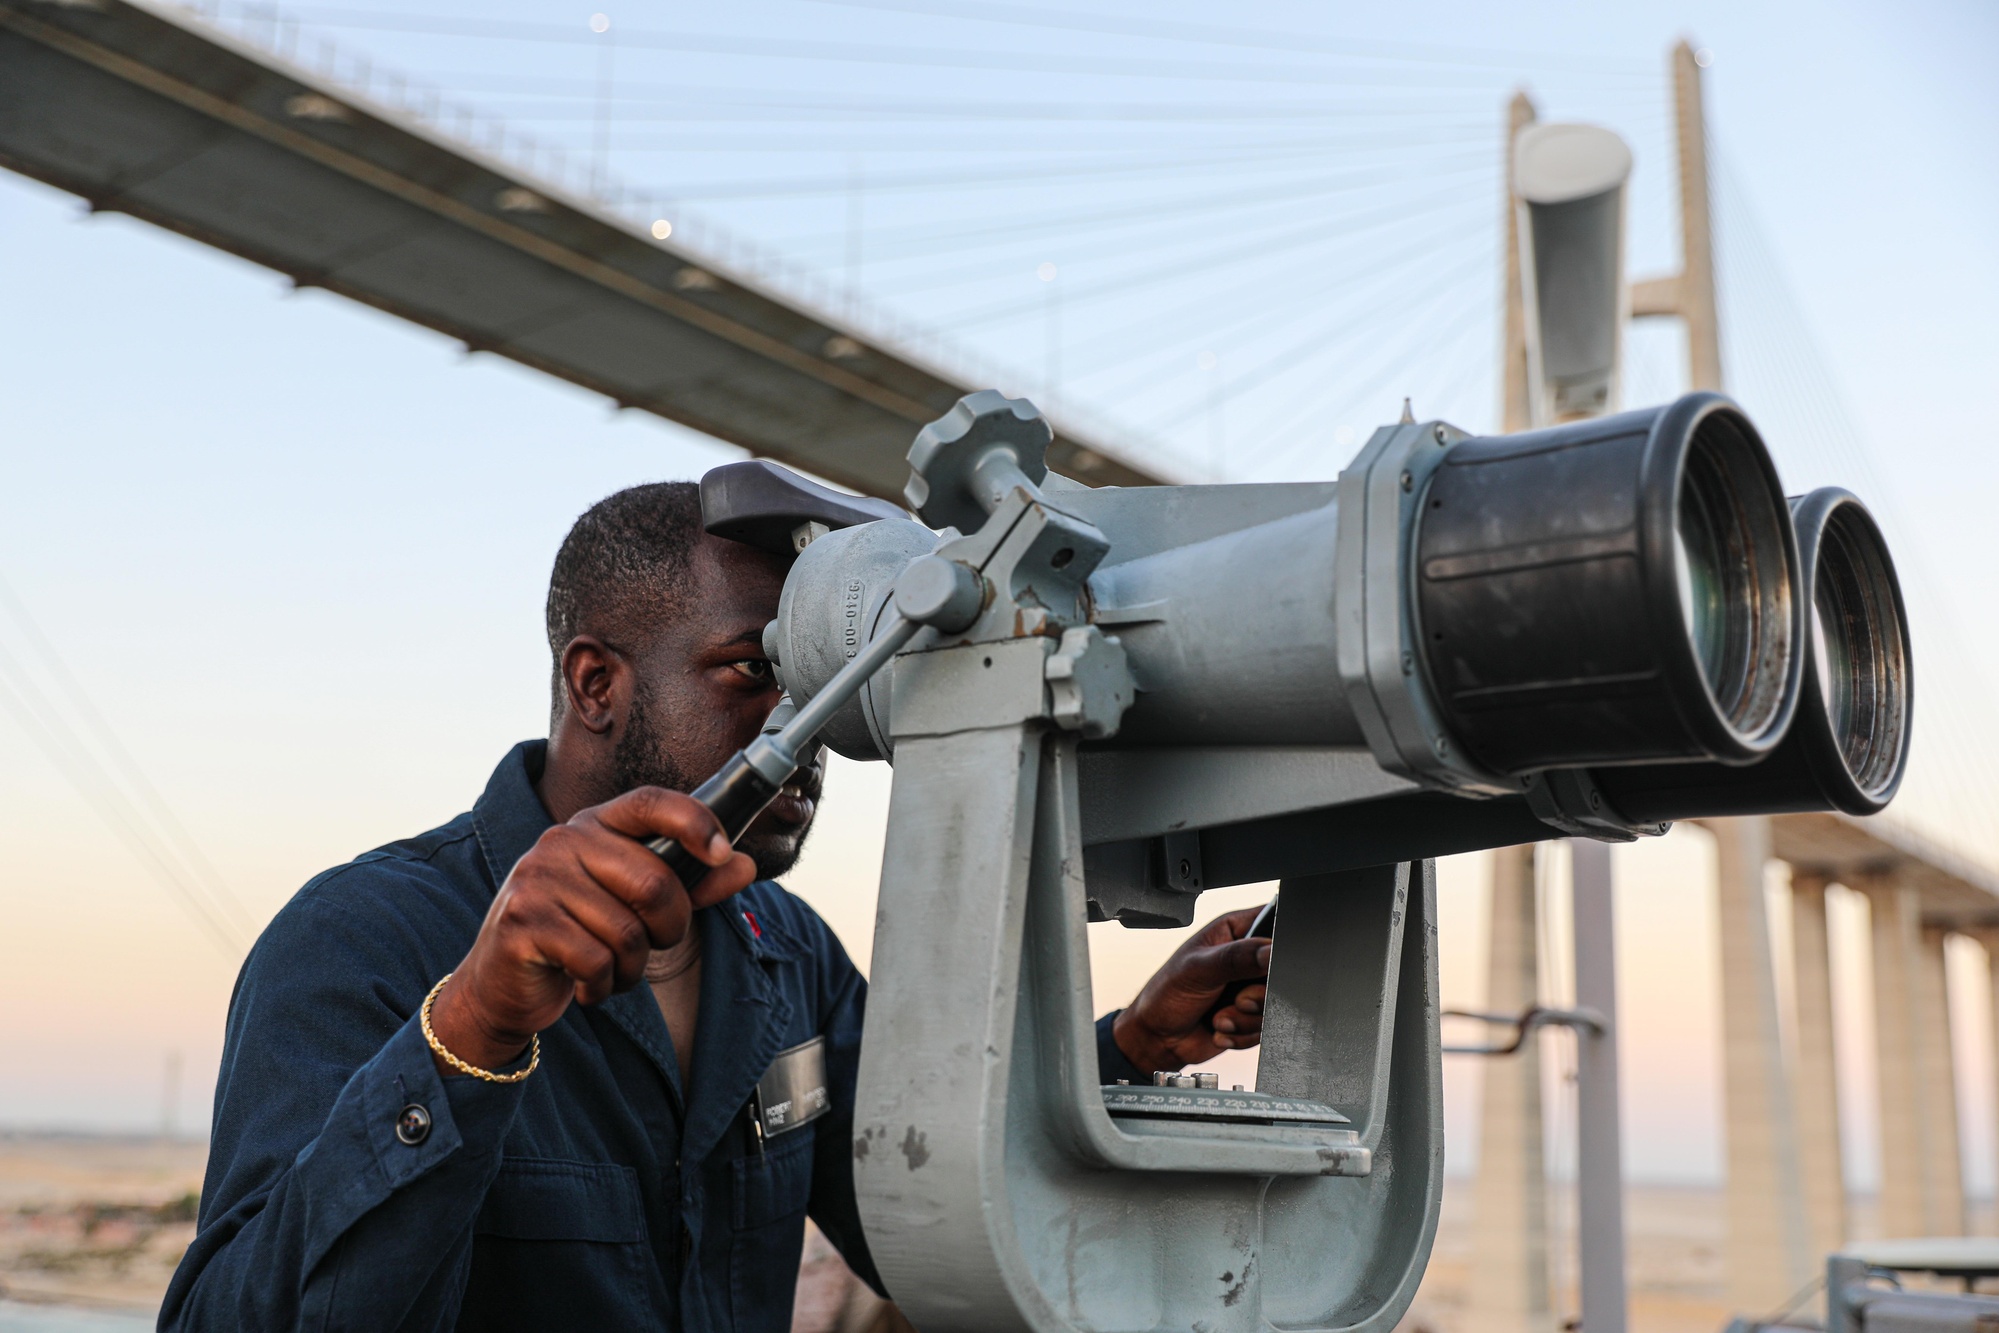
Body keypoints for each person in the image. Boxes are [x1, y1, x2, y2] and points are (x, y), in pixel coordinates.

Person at [161, 481, 1273, 1333]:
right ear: (596, 684)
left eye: (825, 678)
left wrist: (1130, 1045)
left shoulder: (787, 954)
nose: (812, 725)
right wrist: (469, 1036)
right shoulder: (362, 941)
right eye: (753, 670)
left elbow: (917, 1212)